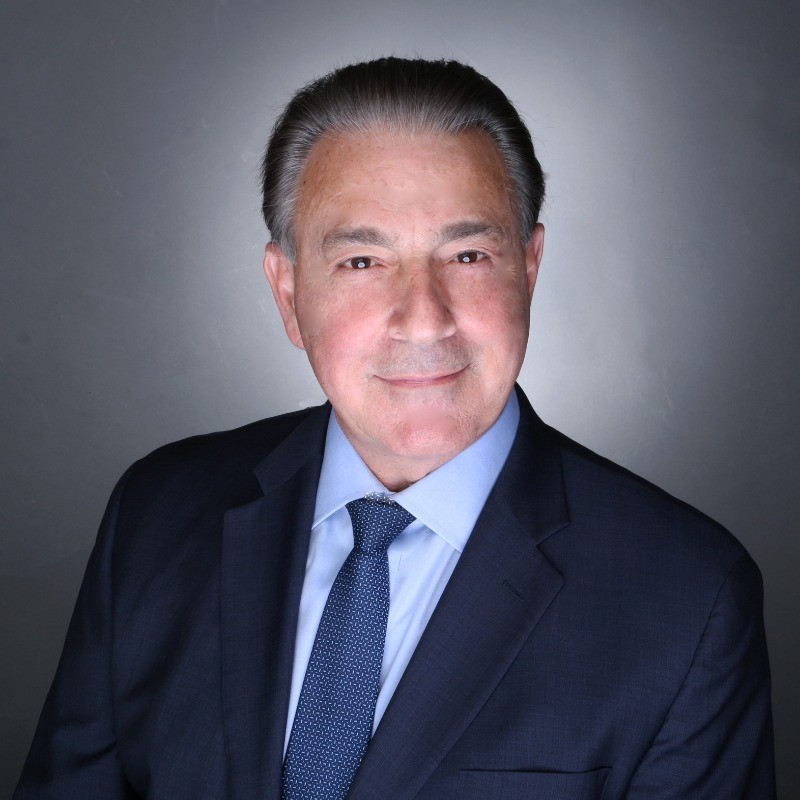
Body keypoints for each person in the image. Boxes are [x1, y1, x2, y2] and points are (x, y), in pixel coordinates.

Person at [15, 57, 775, 799]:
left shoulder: (687, 598)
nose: (424, 319)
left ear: (529, 268)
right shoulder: (156, 515)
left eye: (468, 255)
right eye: (362, 262)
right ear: (288, 293)